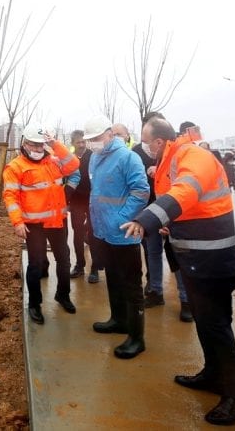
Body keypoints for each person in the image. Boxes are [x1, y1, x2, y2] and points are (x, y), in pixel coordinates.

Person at [122, 118, 235, 426]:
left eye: (144, 140)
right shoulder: (172, 159)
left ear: (159, 142)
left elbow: (186, 191)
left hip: (213, 263)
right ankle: (212, 374)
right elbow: (191, 206)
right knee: (207, 326)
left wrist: (147, 219)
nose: (142, 145)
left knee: (218, 329)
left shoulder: (193, 156)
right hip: (197, 260)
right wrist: (172, 225)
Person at [84, 115, 150, 359]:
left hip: (124, 234)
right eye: (89, 140)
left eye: (97, 138)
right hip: (103, 231)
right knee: (112, 278)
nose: (93, 143)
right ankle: (118, 320)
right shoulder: (96, 157)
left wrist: (121, 218)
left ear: (109, 133)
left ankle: (136, 337)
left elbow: (141, 191)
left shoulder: (127, 157)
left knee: (131, 285)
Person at [2, 124, 80, 324]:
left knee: (64, 260)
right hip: (33, 225)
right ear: (25, 144)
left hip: (57, 221)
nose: (38, 149)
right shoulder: (15, 167)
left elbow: (73, 165)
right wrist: (17, 222)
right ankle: (34, 305)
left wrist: (55, 143)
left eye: (41, 145)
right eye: (34, 145)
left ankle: (63, 295)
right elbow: (10, 197)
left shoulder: (53, 161)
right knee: (35, 265)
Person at [132, 113, 192, 323]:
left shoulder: (178, 153)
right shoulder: (139, 151)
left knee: (177, 257)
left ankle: (186, 301)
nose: (146, 145)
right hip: (151, 212)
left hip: (174, 214)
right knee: (153, 253)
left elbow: (183, 188)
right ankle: (156, 292)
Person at [65, 130, 103, 283]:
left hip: (92, 200)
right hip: (75, 201)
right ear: (73, 143)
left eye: (83, 142)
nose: (81, 144)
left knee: (93, 233)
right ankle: (80, 265)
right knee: (78, 233)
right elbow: (65, 179)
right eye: (78, 142)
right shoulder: (70, 158)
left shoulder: (93, 156)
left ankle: (95, 268)